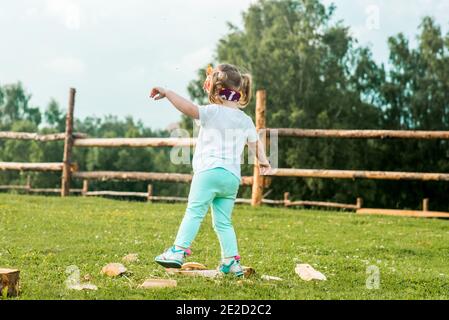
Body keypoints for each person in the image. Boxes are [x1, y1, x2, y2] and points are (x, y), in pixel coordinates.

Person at [150, 63, 271, 277]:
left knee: (194, 213)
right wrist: (264, 163)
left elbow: (187, 108)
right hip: (231, 178)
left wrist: (168, 92)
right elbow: (255, 145)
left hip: (208, 173)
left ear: (215, 89)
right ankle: (231, 262)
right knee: (223, 222)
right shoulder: (245, 120)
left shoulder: (212, 112)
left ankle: (177, 252)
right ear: (239, 90)